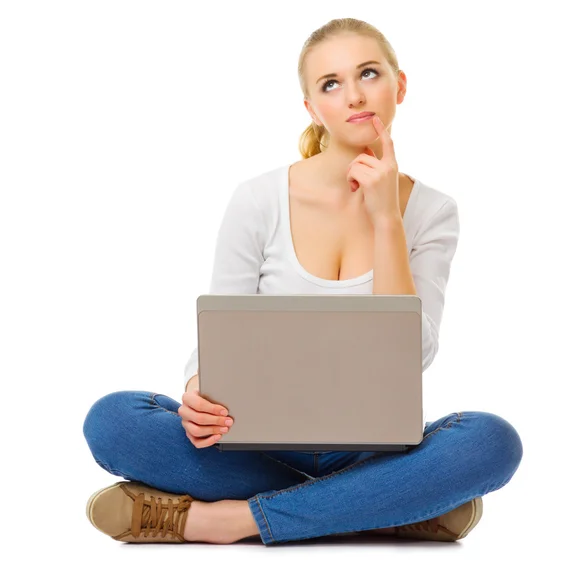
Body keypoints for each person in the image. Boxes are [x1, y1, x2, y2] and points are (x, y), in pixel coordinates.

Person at [82, 17, 523, 547]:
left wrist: (386, 219)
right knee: (113, 420)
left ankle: (235, 521)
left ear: (399, 85)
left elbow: (411, 357)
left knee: (491, 443)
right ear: (313, 108)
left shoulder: (432, 212)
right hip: (255, 442)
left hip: (373, 448)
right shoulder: (258, 199)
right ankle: (387, 506)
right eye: (331, 84)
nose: (355, 95)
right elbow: (221, 330)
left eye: (369, 73)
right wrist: (200, 387)